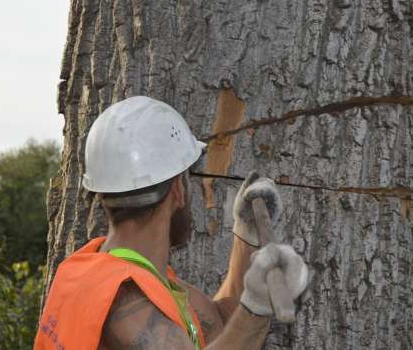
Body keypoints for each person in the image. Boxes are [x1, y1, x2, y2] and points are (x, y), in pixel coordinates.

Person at [34, 96, 309, 350]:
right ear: (178, 189)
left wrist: (246, 237)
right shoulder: (123, 303)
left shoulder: (107, 273)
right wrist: (257, 308)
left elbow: (223, 326)